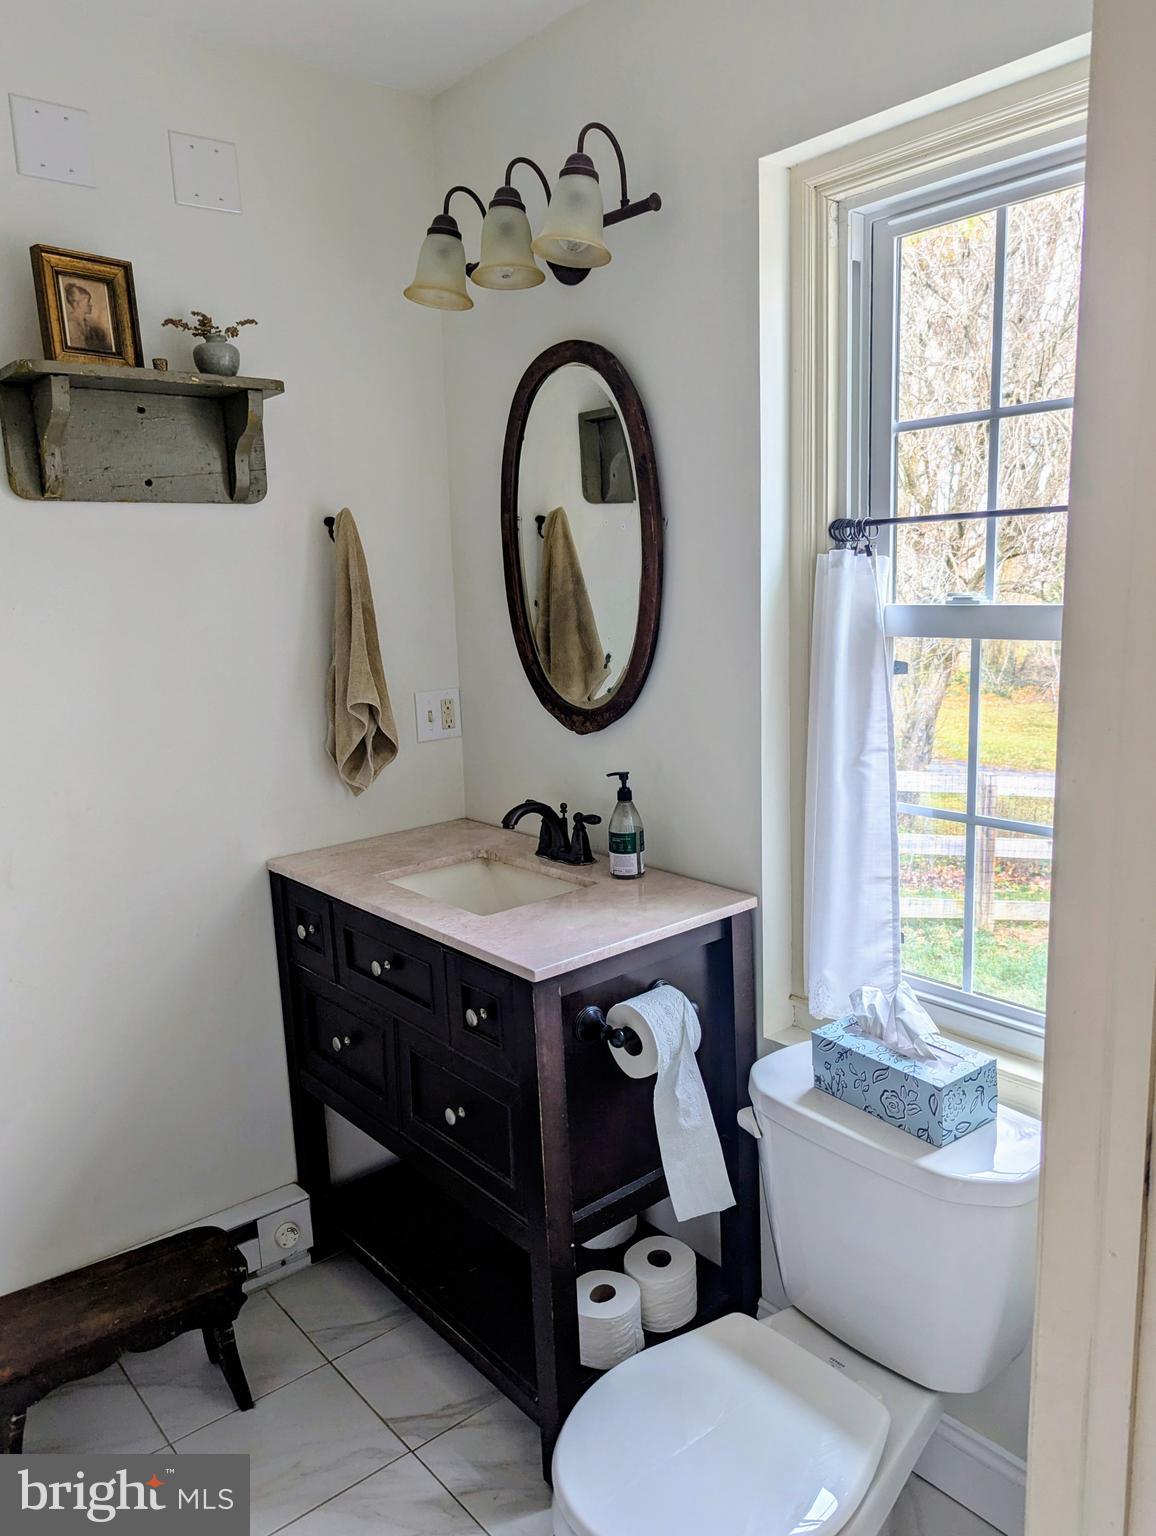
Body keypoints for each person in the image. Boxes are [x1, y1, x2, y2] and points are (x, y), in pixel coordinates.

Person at [62, 280, 113, 353]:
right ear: (76, 304)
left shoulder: (87, 323)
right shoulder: (71, 324)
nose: (91, 304)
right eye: (88, 301)